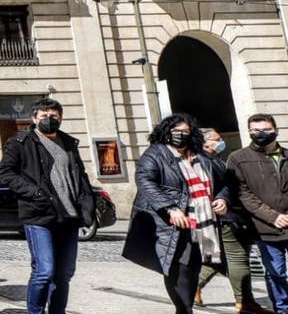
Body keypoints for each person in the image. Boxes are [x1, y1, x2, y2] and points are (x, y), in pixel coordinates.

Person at [0, 98, 96, 314]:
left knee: (65, 273)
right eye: (44, 117)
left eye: (53, 116)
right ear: (34, 119)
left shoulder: (69, 143)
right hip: (39, 215)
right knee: (44, 271)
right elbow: (5, 173)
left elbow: (79, 175)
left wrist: (87, 202)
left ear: (60, 118)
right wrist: (35, 193)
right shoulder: (20, 142)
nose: (49, 120)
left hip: (69, 216)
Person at [123, 113, 229, 314]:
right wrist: (170, 207)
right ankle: (183, 308)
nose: (181, 135)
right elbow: (145, 181)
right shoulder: (155, 153)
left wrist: (223, 199)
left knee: (195, 266)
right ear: (166, 132)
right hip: (172, 222)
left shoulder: (202, 155)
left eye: (185, 131)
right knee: (179, 266)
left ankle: (185, 306)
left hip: (204, 220)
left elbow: (223, 182)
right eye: (176, 131)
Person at [195, 129, 272, 313]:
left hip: (225, 216)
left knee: (220, 259)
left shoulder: (211, 160)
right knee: (238, 258)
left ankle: (193, 287)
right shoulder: (204, 162)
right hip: (226, 217)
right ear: (205, 143)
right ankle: (244, 302)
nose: (221, 141)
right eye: (217, 139)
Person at [228, 113, 288, 313]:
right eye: (255, 131)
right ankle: (283, 307)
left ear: (276, 130)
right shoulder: (238, 159)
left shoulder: (287, 155)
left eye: (266, 130)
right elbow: (243, 194)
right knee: (276, 271)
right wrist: (273, 216)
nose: (260, 134)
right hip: (265, 226)